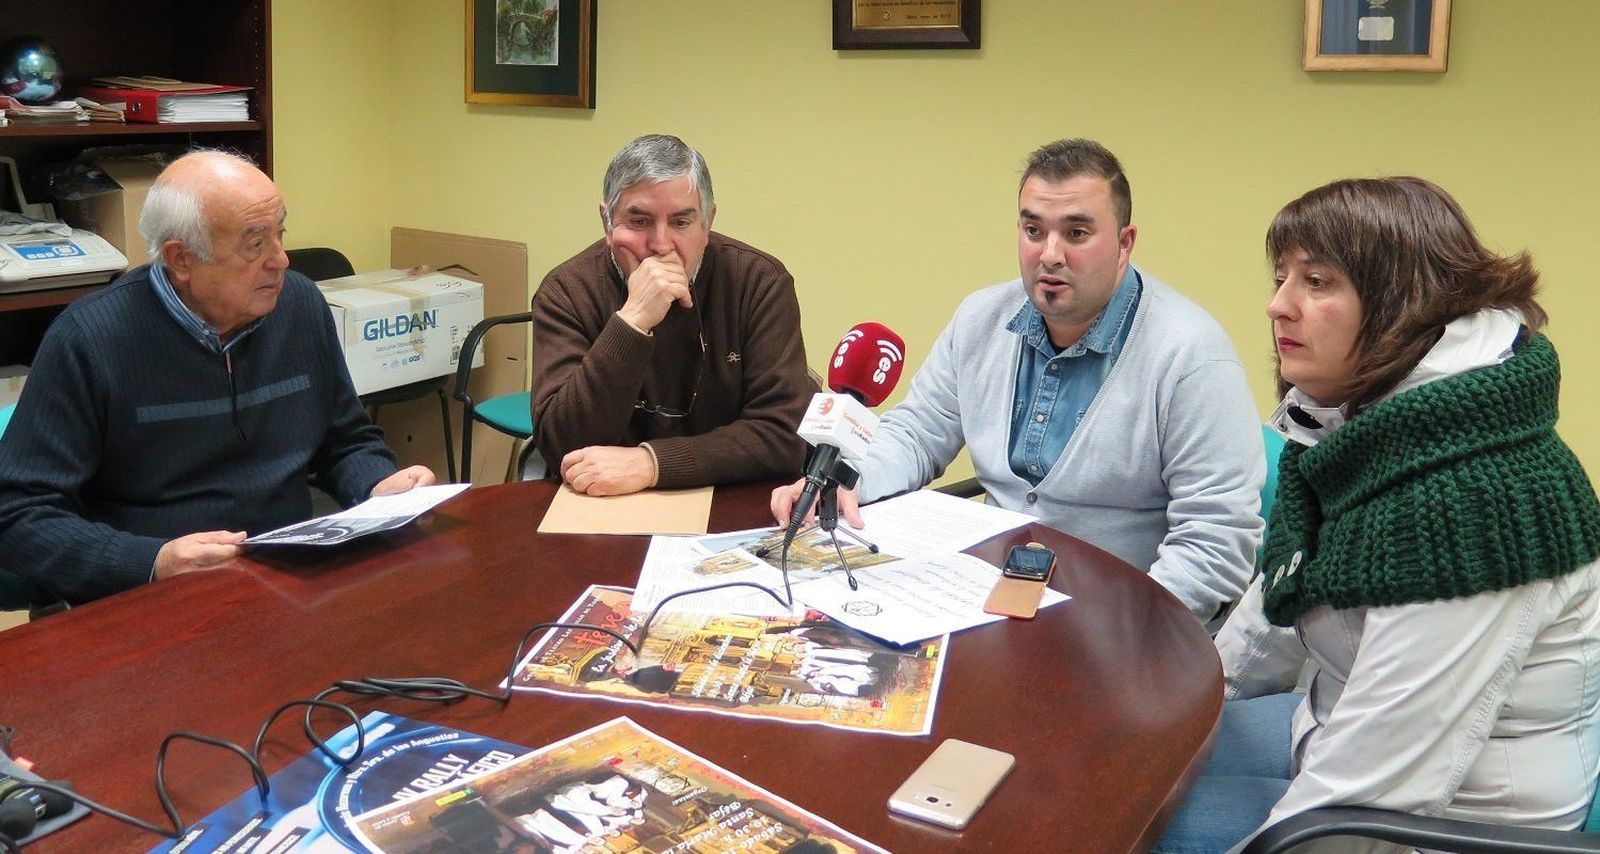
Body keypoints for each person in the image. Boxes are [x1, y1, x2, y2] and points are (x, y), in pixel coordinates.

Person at [1154, 177, 1600, 854]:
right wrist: (1177, 706)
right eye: (1281, 278)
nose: (1277, 305)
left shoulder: (1470, 503)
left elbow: (1368, 796)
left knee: (1122, 831)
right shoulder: (1366, 432)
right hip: (1337, 741)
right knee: (1127, 772)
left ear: (1404, 303)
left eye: (1317, 281)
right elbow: (1284, 604)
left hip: (1454, 825)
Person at [772, 139, 1263, 621]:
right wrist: (844, 480)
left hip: (1124, 624)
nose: (1049, 254)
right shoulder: (981, 318)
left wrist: (1132, 638)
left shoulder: (1191, 356)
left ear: (1124, 243)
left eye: (1076, 234)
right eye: (1034, 230)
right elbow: (919, 432)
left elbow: (1214, 540)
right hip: (987, 601)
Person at [0, 151, 434, 606]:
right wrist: (151, 561)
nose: (281, 260)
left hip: (285, 578)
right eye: (255, 244)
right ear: (182, 260)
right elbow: (18, 513)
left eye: (279, 234)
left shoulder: (300, 306)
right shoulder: (91, 338)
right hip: (146, 596)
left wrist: (379, 487)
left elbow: (343, 438)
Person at [533, 134, 813, 497]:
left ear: (707, 223)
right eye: (639, 222)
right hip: (603, 503)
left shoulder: (758, 282)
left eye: (681, 223)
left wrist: (653, 464)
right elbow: (561, 446)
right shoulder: (566, 291)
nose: (661, 244)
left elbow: (782, 436)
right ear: (606, 222)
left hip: (728, 496)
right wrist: (632, 321)